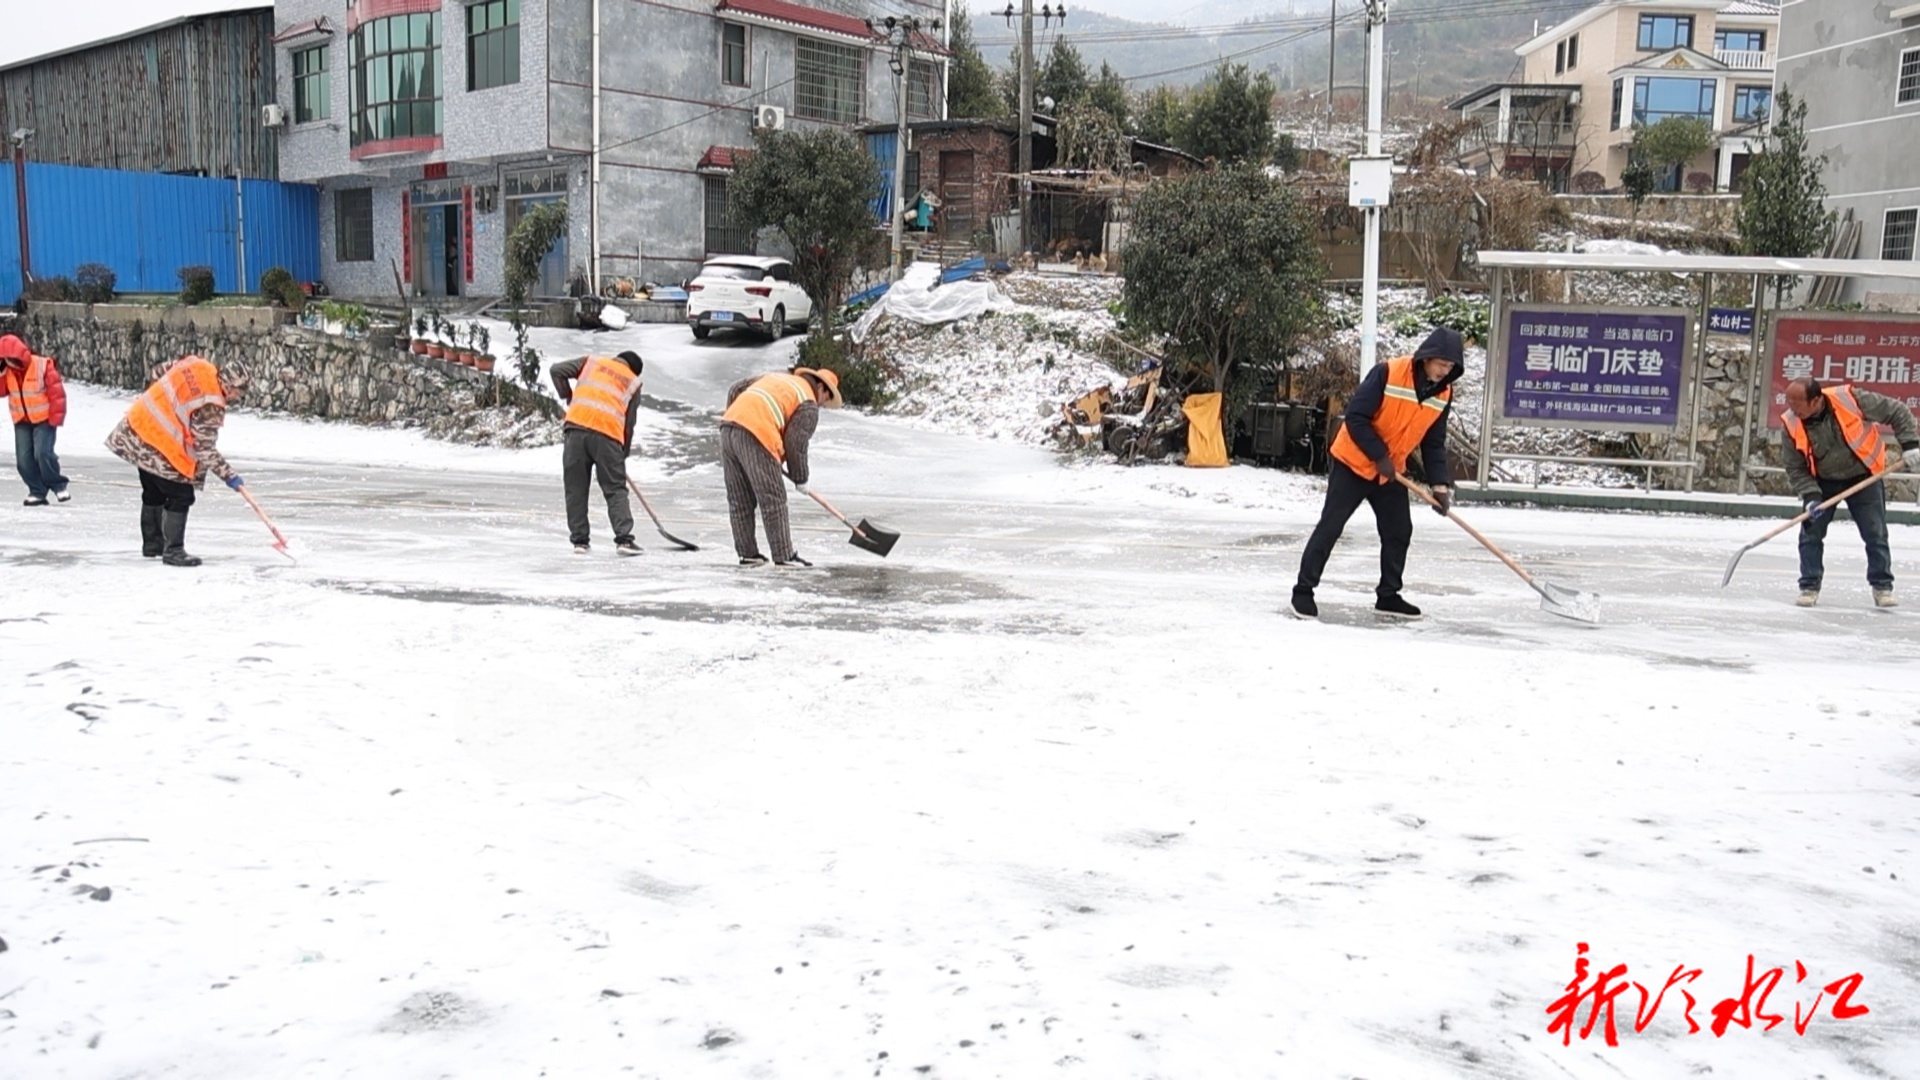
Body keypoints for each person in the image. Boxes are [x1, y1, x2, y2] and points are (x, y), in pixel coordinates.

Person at [1291, 328, 1464, 621]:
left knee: (1399, 530)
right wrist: (1378, 455)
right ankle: (1303, 591)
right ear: (1427, 357)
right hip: (1353, 463)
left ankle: (1389, 595)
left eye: (1450, 368)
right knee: (1332, 525)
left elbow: (1433, 442)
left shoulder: (1443, 393)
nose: (1444, 372)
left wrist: (1439, 485)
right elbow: (1356, 417)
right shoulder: (1388, 373)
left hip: (1390, 471)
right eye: (1441, 364)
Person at [1780, 376, 1920, 608]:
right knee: (1811, 533)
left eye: (1797, 404)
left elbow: (1897, 410)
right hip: (1822, 483)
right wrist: (1811, 496)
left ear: (1816, 400)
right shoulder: (1791, 423)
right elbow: (1795, 467)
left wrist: (1910, 445)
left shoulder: (1850, 399)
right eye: (1789, 403)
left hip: (1864, 477)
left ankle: (1882, 586)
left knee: (1875, 533)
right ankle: (1809, 585)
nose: (1792, 409)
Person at [104, 355, 252, 567]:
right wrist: (231, 477)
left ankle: (153, 545)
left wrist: (161, 402)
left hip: (138, 427)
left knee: (153, 490)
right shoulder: (211, 404)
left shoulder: (198, 366)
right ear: (230, 386)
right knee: (180, 495)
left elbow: (157, 372)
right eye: (238, 393)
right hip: (161, 444)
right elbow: (204, 448)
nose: (236, 398)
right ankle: (173, 550)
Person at [719, 366, 842, 567]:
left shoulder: (777, 378)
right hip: (757, 432)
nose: (822, 405)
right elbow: (796, 442)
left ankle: (748, 554)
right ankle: (784, 555)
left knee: (739, 498)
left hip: (728, 427)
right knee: (773, 498)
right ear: (821, 388)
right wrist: (800, 477)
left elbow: (735, 388)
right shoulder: (808, 402)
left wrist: (736, 416)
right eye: (826, 400)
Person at [550, 350, 647, 556]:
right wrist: (623, 452)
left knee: (575, 488)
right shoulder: (633, 382)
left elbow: (556, 370)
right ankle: (624, 540)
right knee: (615, 489)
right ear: (634, 370)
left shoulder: (591, 362)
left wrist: (567, 395)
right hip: (608, 436)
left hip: (576, 429)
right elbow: (629, 423)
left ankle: (580, 542)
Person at [1, 333, 68, 505]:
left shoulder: (42, 365)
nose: (9, 362)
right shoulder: (6, 371)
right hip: (22, 420)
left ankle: (58, 485)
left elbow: (57, 393)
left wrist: (55, 418)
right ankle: (37, 490)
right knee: (23, 460)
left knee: (43, 453)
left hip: (44, 419)